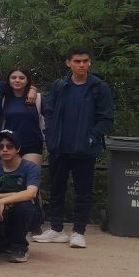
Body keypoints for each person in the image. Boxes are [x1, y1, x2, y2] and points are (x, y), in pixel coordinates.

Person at [33, 48, 114, 249]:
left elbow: (106, 117)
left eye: (85, 61)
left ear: (90, 63)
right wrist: (50, 133)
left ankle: (79, 231)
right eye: (77, 61)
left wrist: (92, 136)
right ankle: (57, 229)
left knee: (83, 191)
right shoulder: (60, 85)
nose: (81, 65)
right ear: (68, 63)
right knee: (56, 188)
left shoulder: (99, 87)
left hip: (85, 149)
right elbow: (49, 110)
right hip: (59, 146)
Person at [0, 131, 41, 263]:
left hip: (25, 210)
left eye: (9, 146)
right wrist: (13, 196)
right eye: (0, 147)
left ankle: (19, 247)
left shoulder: (30, 167)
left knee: (24, 207)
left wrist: (3, 200)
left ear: (18, 148)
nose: (4, 150)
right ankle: (2, 242)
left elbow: (31, 193)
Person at [2, 67, 45, 166]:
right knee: (12, 180)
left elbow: (49, 118)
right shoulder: (3, 99)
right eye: (13, 77)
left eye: (22, 78)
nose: (17, 80)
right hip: (8, 145)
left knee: (31, 178)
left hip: (32, 144)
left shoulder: (37, 98)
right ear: (8, 80)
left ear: (27, 81)